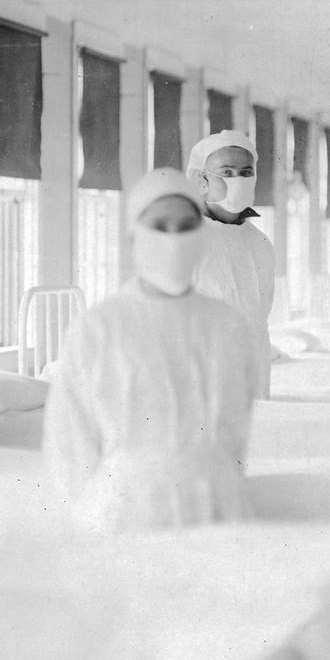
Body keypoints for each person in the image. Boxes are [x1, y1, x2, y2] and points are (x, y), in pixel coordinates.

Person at [42, 168, 258, 532]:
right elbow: (70, 446)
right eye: (160, 226)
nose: (174, 240)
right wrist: (91, 515)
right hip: (127, 510)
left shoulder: (228, 326)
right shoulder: (99, 327)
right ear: (133, 237)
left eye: (186, 226)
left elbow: (237, 432)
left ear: (202, 236)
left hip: (218, 503)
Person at [186, 130, 275, 398]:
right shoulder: (184, 236)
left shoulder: (260, 243)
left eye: (246, 172)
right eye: (226, 172)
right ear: (202, 179)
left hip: (253, 366)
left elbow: (262, 311)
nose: (238, 180)